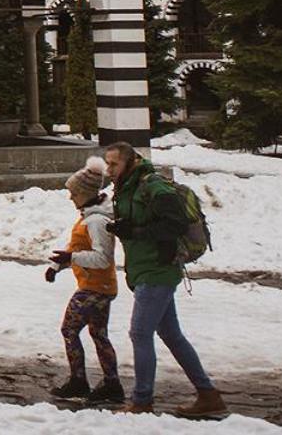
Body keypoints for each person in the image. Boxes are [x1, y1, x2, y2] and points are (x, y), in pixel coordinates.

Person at [102, 142, 225, 417]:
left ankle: (142, 400)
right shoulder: (127, 186)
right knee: (171, 334)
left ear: (130, 162)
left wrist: (134, 230)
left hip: (158, 269)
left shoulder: (151, 185)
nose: (108, 169)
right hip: (147, 268)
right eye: (107, 163)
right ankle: (208, 395)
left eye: (113, 164)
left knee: (140, 333)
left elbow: (174, 223)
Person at [46, 156, 123, 404]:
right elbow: (76, 248)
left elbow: (102, 258)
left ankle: (79, 380)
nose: (71, 198)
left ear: (85, 193)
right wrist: (58, 265)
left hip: (93, 287)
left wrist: (72, 257)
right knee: (99, 335)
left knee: (69, 329)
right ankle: (112, 383)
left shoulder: (96, 221)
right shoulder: (90, 216)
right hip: (101, 286)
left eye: (73, 193)